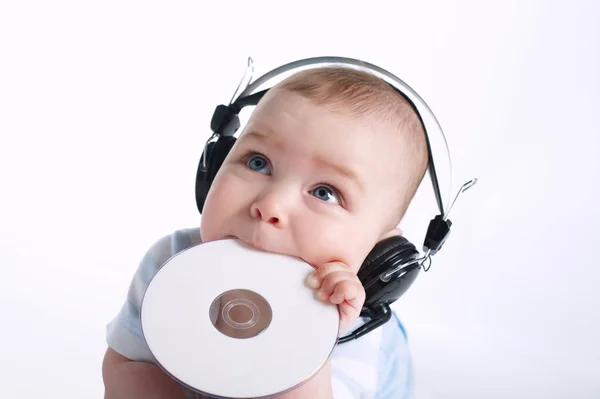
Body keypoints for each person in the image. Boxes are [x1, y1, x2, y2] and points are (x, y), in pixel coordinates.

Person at [102, 65, 429, 399]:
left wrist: (306, 350)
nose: (271, 205)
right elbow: (127, 367)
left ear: (378, 251)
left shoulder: (361, 335)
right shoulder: (168, 265)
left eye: (325, 193)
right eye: (257, 162)